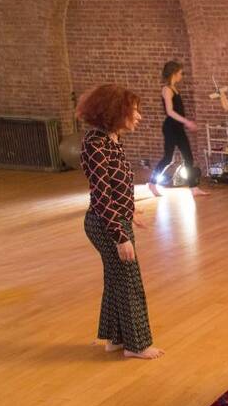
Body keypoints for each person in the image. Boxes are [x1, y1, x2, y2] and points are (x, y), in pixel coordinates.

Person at [78, 85, 163, 360]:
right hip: (106, 224)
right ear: (116, 112)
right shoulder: (96, 144)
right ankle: (136, 345)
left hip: (115, 218)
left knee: (116, 279)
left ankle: (116, 338)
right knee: (129, 281)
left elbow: (117, 187)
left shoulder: (111, 139)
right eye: (134, 110)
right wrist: (120, 235)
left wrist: (131, 211)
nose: (138, 116)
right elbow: (102, 194)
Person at [148, 60, 207, 197]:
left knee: (188, 157)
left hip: (178, 128)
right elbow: (170, 112)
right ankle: (152, 183)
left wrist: (185, 122)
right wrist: (187, 121)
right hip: (170, 128)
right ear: (174, 73)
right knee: (168, 158)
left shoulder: (174, 88)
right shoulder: (167, 89)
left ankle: (194, 188)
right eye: (180, 73)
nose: (182, 75)